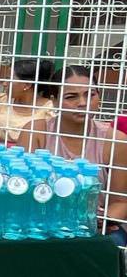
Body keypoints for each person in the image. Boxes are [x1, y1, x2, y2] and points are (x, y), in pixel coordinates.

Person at [21, 64, 127, 242]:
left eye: (90, 94)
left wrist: (100, 221)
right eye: (71, 97)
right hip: (42, 221)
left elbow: (121, 202)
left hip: (92, 226)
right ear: (54, 101)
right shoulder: (36, 132)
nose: (83, 103)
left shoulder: (115, 140)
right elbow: (23, 189)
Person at [0, 57, 55, 146]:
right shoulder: (2, 100)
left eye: (9, 80)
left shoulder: (48, 109)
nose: (4, 84)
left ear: (27, 85)